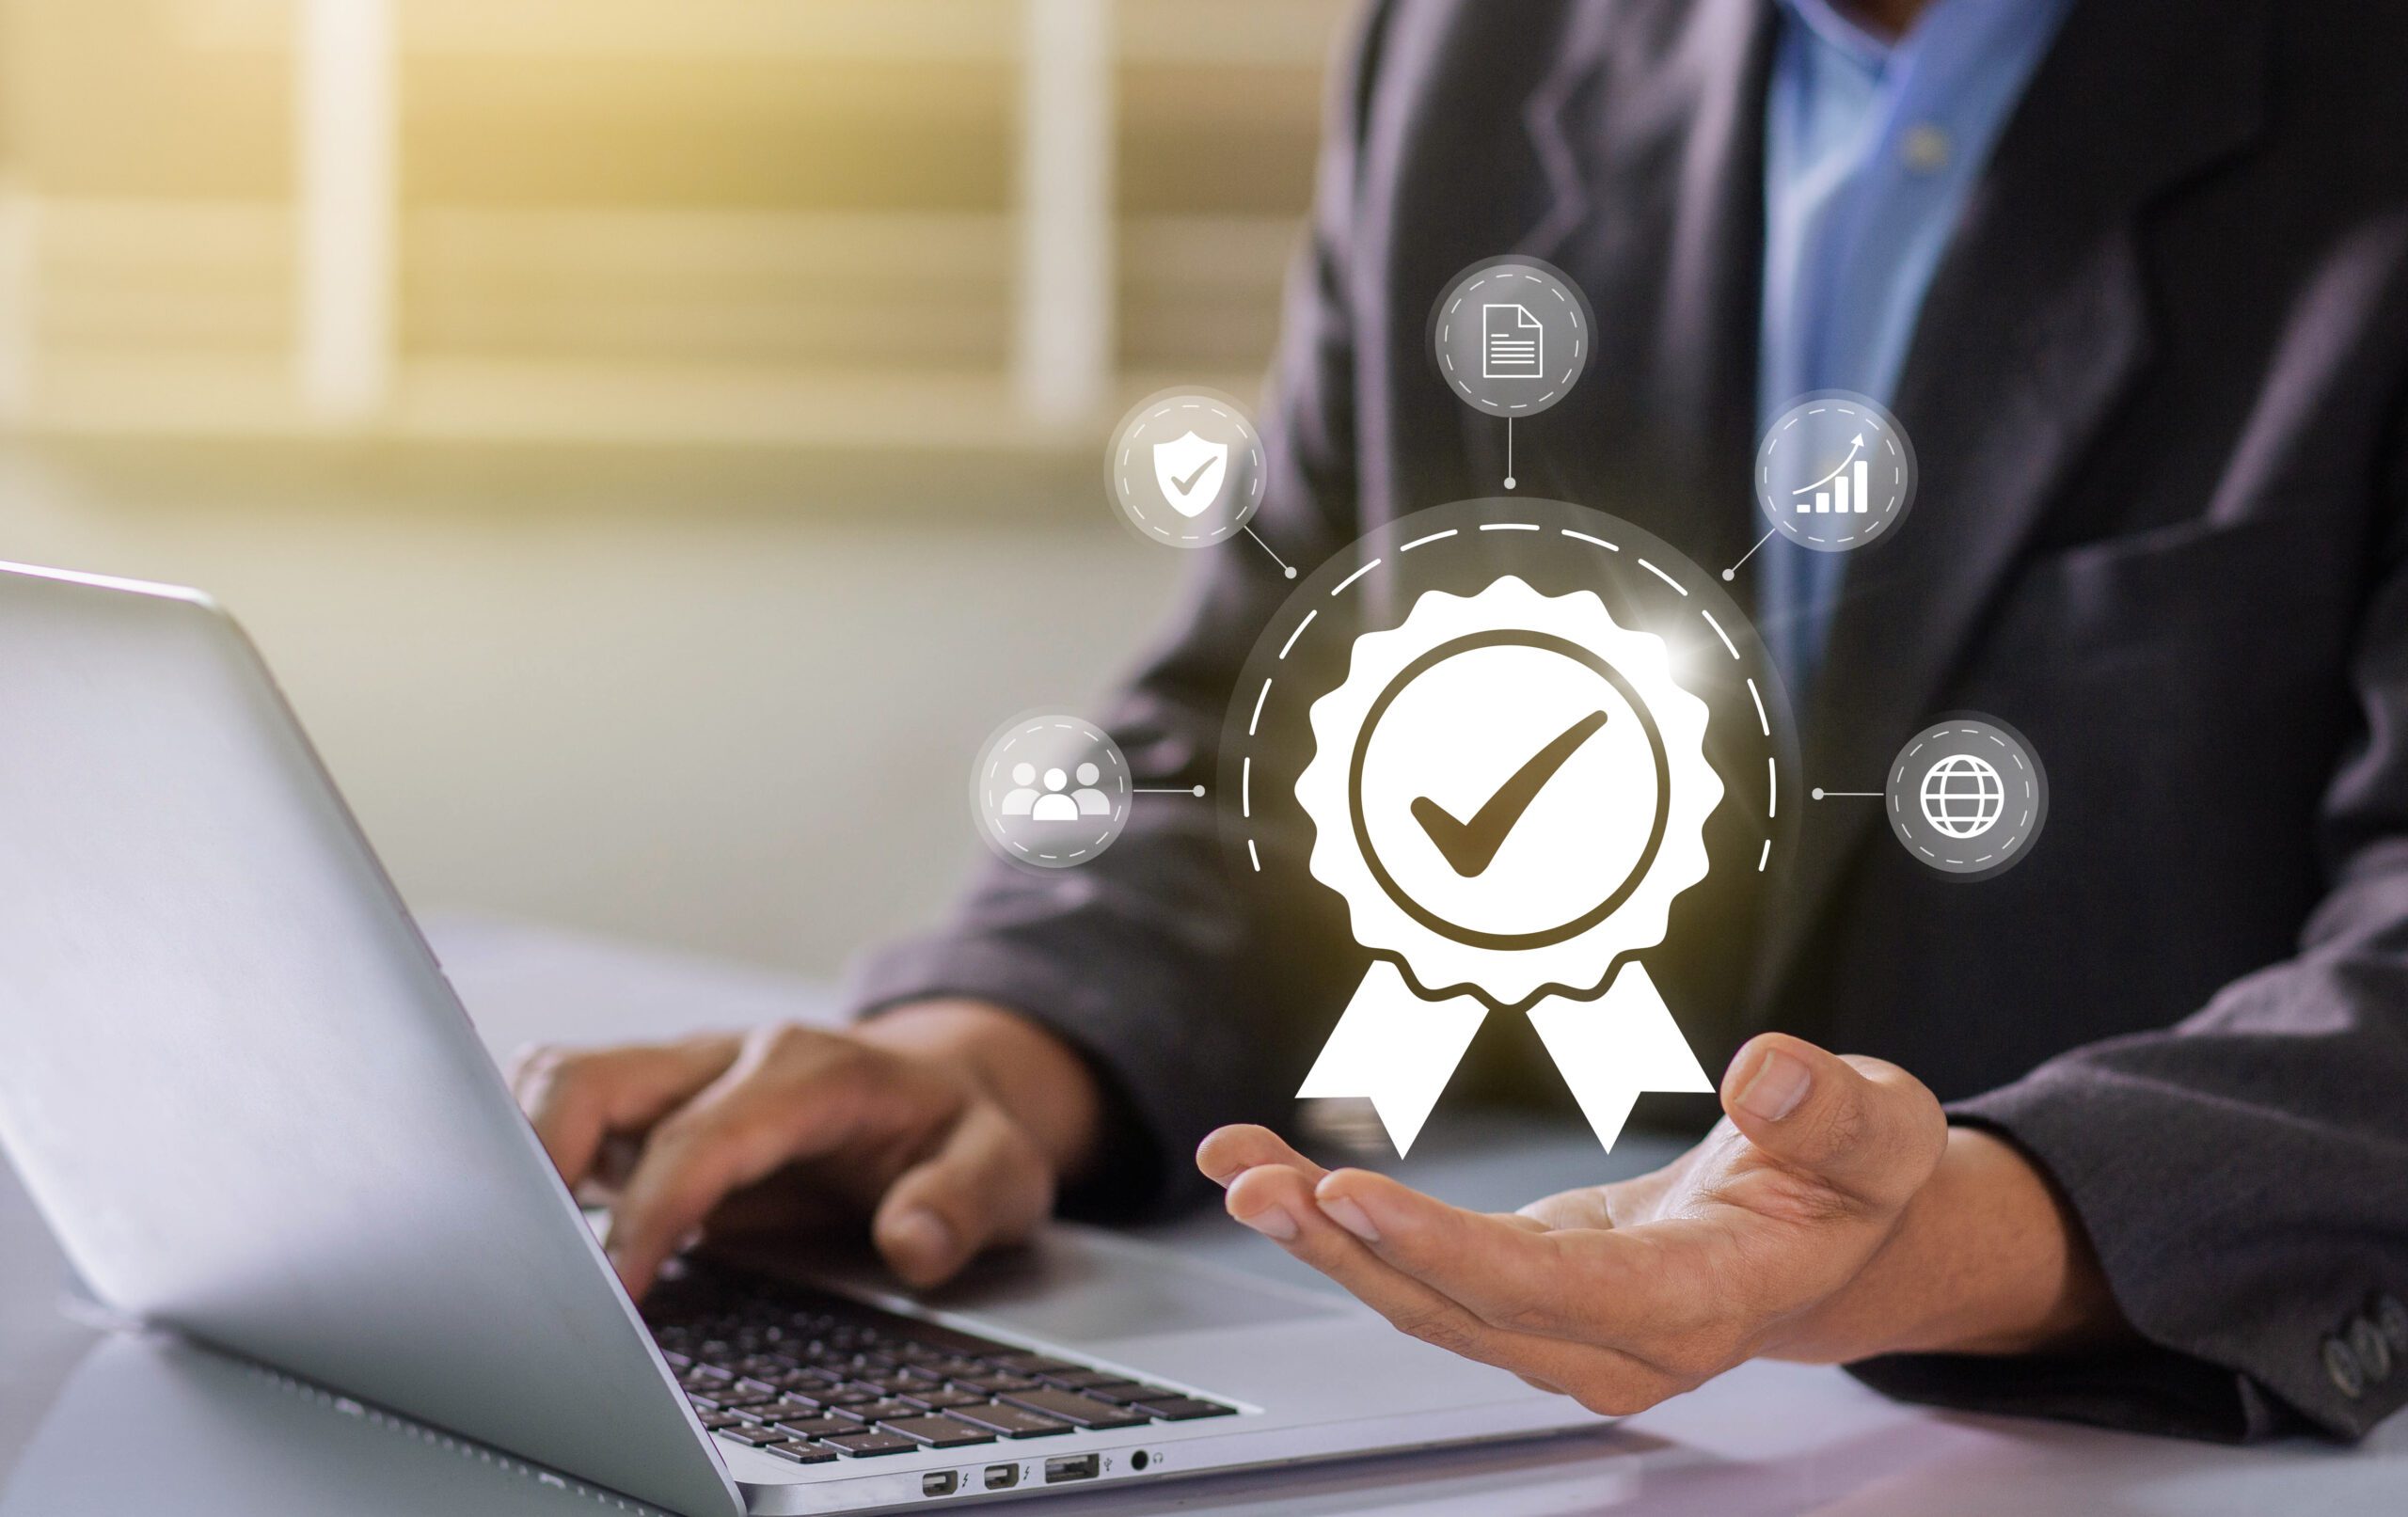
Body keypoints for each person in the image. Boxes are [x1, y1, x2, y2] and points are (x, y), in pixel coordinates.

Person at [511, 0, 2408, 1444]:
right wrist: (987, 1056)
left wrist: (1954, 1234)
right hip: (1559, 1440)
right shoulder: (1472, 49)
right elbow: (1276, 706)